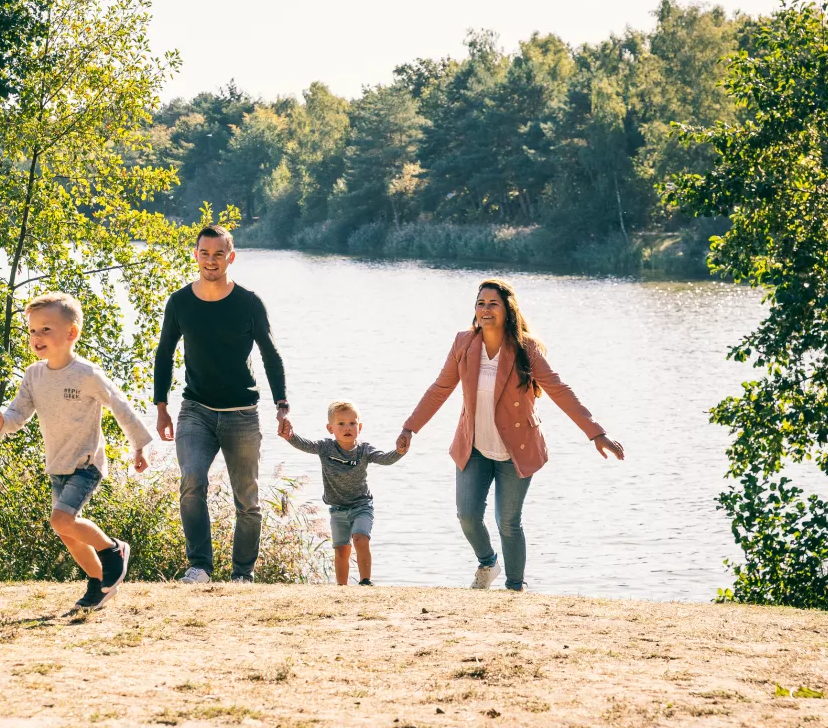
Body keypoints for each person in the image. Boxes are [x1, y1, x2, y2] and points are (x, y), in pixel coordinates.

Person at [396, 278, 625, 592]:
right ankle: (487, 562)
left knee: (508, 522)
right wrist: (410, 427)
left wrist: (596, 433)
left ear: (507, 310)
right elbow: (440, 389)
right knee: (467, 516)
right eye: (481, 303)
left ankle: (515, 589)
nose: (486, 309)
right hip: (474, 447)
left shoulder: (525, 348)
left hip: (516, 449)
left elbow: (559, 390)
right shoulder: (463, 343)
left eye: (493, 304)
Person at [0, 292, 153, 609]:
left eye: (46, 329)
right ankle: (99, 584)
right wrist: (1, 420)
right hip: (57, 465)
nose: (37, 337)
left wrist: (139, 445)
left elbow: (120, 406)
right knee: (68, 533)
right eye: (32, 330)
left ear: (71, 333)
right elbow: (19, 414)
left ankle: (114, 550)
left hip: (87, 464)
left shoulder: (87, 374)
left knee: (60, 520)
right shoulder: (34, 375)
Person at [153, 223, 288, 584]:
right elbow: (164, 354)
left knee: (247, 500)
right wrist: (161, 406)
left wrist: (281, 404)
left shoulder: (248, 302)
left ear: (231, 257)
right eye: (204, 253)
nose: (210, 260)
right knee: (192, 482)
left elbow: (271, 355)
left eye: (218, 254)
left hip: (241, 414)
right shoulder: (180, 302)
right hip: (195, 410)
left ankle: (243, 574)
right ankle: (200, 567)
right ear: (195, 255)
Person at [280, 399, 403, 585]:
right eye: (341, 424)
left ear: (359, 426)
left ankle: (365, 581)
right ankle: (342, 588)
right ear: (330, 428)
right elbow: (305, 444)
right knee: (341, 550)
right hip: (337, 509)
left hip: (362, 505)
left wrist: (400, 451)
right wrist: (289, 436)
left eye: (352, 423)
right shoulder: (325, 447)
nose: (348, 428)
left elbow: (385, 459)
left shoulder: (364, 450)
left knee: (360, 539)